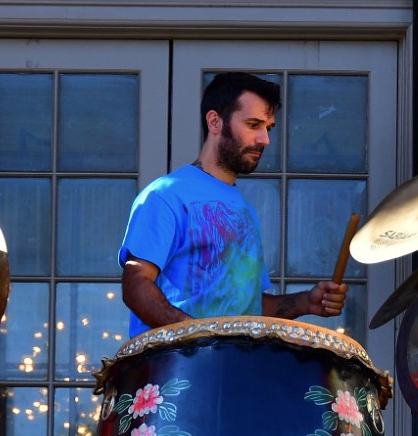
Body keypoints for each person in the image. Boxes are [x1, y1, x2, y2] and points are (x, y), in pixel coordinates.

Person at [119, 71, 348, 336]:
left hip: (232, 368)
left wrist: (305, 301)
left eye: (268, 128)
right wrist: (198, 338)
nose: (265, 139)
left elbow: (247, 309)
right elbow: (136, 285)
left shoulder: (244, 210)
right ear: (215, 122)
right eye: (253, 125)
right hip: (175, 371)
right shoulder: (166, 195)